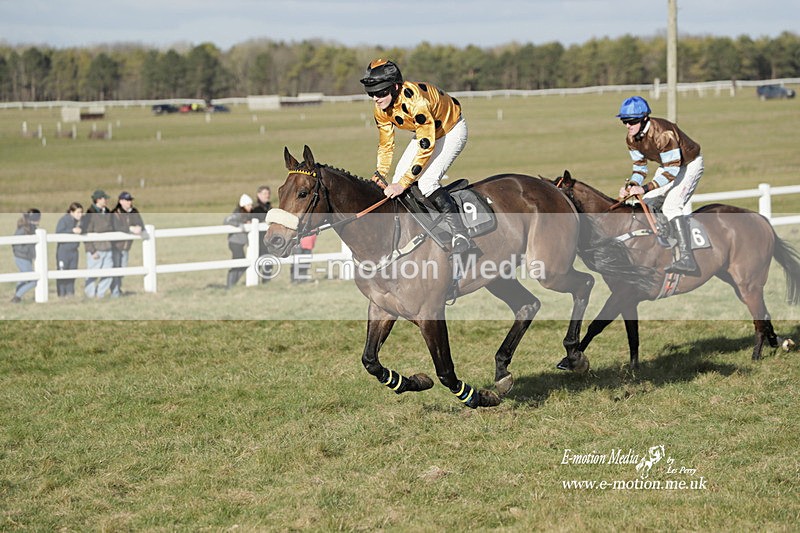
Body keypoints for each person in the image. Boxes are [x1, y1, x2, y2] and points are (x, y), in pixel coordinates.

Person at [359, 58, 473, 253]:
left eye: (380, 92)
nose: (375, 98)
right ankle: (420, 228)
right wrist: (381, 173)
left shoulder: (416, 102)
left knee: (427, 182)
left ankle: (459, 233)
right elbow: (386, 143)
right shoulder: (380, 108)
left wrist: (404, 183)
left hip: (451, 129)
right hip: (426, 132)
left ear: (395, 87)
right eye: (371, 93)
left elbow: (426, 147)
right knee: (396, 181)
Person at [616, 96, 704, 275]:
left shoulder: (663, 134)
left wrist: (645, 188)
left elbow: (672, 172)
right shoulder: (631, 138)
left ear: (645, 118)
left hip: (688, 165)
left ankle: (687, 258)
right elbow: (640, 168)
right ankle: (662, 244)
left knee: (672, 206)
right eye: (624, 121)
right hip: (668, 166)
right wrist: (632, 186)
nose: (628, 126)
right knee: (646, 203)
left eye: (632, 121)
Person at [81, 189, 114, 298]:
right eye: (104, 198)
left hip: (107, 247)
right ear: (98, 200)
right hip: (96, 248)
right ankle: (90, 294)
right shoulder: (90, 214)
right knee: (92, 273)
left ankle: (100, 294)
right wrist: (91, 250)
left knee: (109, 273)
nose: (106, 200)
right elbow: (86, 232)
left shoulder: (107, 212)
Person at [111, 191, 144, 297]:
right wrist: (130, 228)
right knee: (116, 268)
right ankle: (115, 292)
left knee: (123, 268)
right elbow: (116, 227)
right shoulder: (115, 213)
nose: (129, 203)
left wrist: (139, 227)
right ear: (120, 201)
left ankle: (117, 289)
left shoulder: (134, 211)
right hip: (116, 246)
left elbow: (140, 223)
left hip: (126, 247)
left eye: (130, 200)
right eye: (127, 200)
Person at [11, 209, 41, 303]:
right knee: (34, 280)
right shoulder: (24, 229)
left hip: (25, 257)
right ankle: (17, 296)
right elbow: (15, 242)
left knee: (24, 277)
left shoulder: (31, 227)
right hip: (22, 257)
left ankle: (17, 293)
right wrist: (25, 252)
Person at [224, 194, 254, 289]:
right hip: (235, 243)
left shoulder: (246, 214)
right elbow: (227, 220)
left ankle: (231, 284)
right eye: (249, 205)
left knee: (241, 264)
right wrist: (240, 225)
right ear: (243, 206)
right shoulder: (237, 213)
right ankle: (230, 285)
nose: (251, 207)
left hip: (239, 243)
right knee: (240, 263)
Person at [55, 202, 83, 298]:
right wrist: (71, 231)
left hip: (74, 251)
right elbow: (58, 233)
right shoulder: (64, 220)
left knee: (72, 273)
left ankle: (70, 294)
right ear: (71, 212)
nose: (80, 214)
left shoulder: (79, 222)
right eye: (78, 212)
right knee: (62, 273)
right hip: (64, 251)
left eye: (81, 212)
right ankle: (61, 295)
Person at [251, 185, 272, 283]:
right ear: (258, 195)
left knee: (268, 260)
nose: (267, 196)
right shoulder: (255, 208)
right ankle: (254, 279)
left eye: (268, 194)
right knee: (258, 259)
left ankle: (266, 281)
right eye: (264, 193)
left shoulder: (269, 207)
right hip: (258, 238)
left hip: (267, 238)